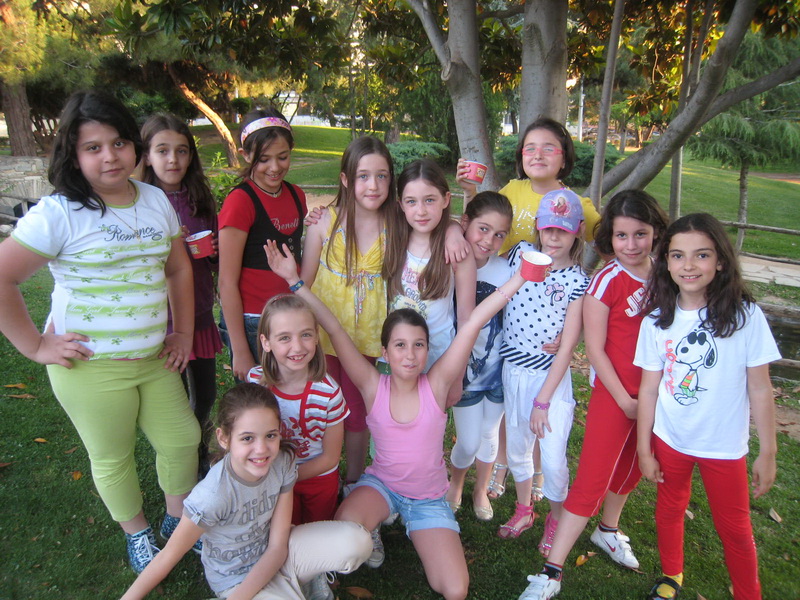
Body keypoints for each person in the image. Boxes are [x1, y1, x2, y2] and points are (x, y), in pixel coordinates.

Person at [265, 238, 532, 600]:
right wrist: (294, 282)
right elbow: (334, 328)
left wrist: (522, 277)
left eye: (418, 345)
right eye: (400, 345)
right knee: (343, 532)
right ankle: (370, 527)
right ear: (386, 352)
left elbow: (472, 324)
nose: (410, 355)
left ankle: (408, 526)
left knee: (454, 589)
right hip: (381, 487)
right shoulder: (372, 385)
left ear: (427, 350)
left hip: (428, 499)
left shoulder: (437, 384)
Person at [0, 91, 200, 573]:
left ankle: (177, 524)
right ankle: (138, 533)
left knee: (182, 440)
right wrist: (35, 345)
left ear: (134, 146)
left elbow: (177, 269)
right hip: (89, 367)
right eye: (93, 147)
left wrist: (183, 334)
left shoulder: (155, 200)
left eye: (118, 143)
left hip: (154, 358)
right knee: (113, 457)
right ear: (73, 154)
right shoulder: (59, 213)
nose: (110, 156)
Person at [518, 189, 668, 600]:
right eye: (621, 236)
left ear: (655, 232)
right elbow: (596, 350)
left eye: (640, 234)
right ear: (609, 238)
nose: (631, 244)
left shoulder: (666, 274)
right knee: (592, 480)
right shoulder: (606, 281)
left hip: (657, 395)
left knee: (633, 468)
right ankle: (551, 571)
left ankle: (608, 530)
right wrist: (624, 401)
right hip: (616, 397)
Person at [635, 213, 779, 600]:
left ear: (720, 262)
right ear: (666, 263)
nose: (689, 265)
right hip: (671, 438)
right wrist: (644, 447)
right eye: (678, 255)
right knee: (669, 509)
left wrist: (768, 451)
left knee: (734, 527)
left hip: (723, 446)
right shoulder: (656, 321)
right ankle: (672, 575)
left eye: (701, 255)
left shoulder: (746, 317)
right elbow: (649, 389)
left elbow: (760, 389)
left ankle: (748, 592)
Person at [120, 383, 372, 600]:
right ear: (224, 438)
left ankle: (296, 582)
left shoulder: (282, 461)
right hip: (236, 580)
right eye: (247, 438)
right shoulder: (212, 495)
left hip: (280, 553)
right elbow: (168, 556)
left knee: (358, 541)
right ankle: (292, 586)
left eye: (270, 435)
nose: (261, 449)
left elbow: (277, 545)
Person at [497, 190, 589, 550]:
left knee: (552, 462)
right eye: (549, 228)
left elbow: (568, 346)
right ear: (537, 226)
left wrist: (543, 401)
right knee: (518, 448)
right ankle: (524, 510)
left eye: (563, 231)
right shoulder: (519, 254)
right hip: (513, 370)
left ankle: (556, 518)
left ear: (577, 232)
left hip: (550, 381)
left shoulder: (578, 281)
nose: (554, 237)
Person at [300, 136, 394, 487]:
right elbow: (304, 281)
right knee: (321, 406)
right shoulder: (325, 221)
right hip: (323, 333)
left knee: (357, 412)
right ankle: (318, 476)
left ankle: (354, 480)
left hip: (366, 338)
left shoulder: (396, 224)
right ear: (345, 179)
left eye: (382, 176)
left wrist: (455, 233)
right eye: (363, 176)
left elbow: (436, 224)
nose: (373, 185)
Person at [140, 113, 223, 474]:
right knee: (172, 402)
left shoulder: (199, 199)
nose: (173, 159)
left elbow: (216, 260)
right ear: (146, 155)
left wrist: (213, 252)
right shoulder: (137, 202)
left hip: (200, 314)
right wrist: (175, 250)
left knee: (205, 395)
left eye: (182, 151)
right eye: (162, 150)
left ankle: (198, 448)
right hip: (162, 321)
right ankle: (182, 457)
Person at [218, 108, 306, 382]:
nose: (275, 167)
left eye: (283, 157)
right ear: (246, 155)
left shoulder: (296, 194)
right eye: (264, 159)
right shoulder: (240, 202)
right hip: (253, 322)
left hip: (289, 315)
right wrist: (240, 349)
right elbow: (226, 281)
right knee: (259, 400)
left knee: (290, 395)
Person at [246, 294, 348, 525]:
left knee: (316, 533)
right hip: (270, 475)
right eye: (284, 338)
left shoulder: (329, 393)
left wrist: (284, 478)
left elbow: (330, 457)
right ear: (266, 342)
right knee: (281, 531)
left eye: (306, 335)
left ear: (316, 337)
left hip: (318, 479)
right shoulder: (255, 383)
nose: (298, 346)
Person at [445, 191, 513, 521]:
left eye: (499, 234)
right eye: (483, 229)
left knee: (489, 435)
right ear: (466, 224)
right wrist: (451, 230)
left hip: (498, 370)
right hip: (464, 371)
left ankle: (480, 488)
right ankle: (456, 483)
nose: (489, 241)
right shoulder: (451, 262)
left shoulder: (506, 270)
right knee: (469, 441)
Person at [384, 159, 477, 398]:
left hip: (438, 360)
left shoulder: (457, 252)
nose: (421, 211)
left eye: (429, 200)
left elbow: (467, 320)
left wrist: (458, 374)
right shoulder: (391, 241)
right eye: (411, 201)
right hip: (395, 359)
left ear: (446, 200)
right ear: (400, 205)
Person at [456, 117, 600, 252]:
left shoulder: (575, 206)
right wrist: (469, 191)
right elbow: (472, 225)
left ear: (564, 160)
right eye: (530, 149)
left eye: (548, 149)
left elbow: (608, 248)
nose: (538, 156)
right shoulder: (512, 190)